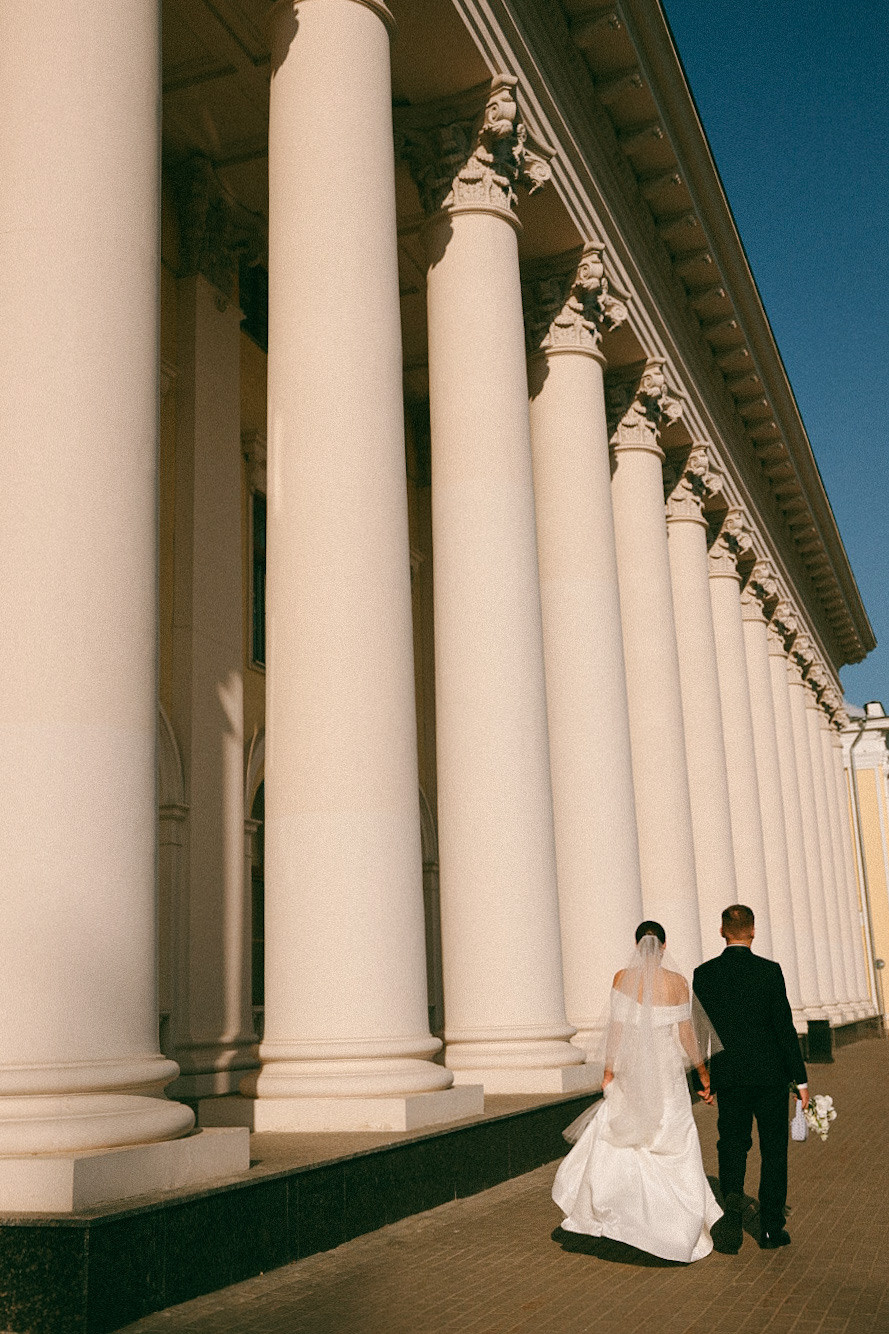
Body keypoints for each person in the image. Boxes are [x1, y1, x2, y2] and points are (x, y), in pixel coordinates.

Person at [552, 921, 722, 1263]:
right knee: (671, 1139)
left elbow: (616, 1029)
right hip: (666, 1073)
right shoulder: (677, 983)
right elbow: (686, 1033)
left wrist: (608, 1071)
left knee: (624, 1140)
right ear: (663, 947)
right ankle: (676, 1226)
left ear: (636, 945)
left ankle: (621, 1215)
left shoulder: (621, 979)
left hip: (631, 1067)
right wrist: (703, 1074)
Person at [693, 904, 808, 1252]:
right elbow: (784, 1029)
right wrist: (799, 1080)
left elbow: (700, 1030)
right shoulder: (769, 972)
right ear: (753, 931)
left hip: (729, 1076)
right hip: (771, 1076)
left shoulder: (705, 974)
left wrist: (704, 1078)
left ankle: (730, 1226)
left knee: (732, 1145)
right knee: (774, 1150)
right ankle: (771, 1228)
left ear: (722, 931)